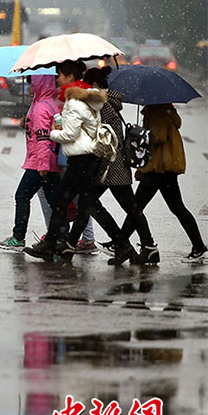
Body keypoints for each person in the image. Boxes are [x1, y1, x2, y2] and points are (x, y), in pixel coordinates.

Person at [24, 60, 106, 261]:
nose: (56, 79)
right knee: (71, 203)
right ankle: (60, 244)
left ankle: (121, 243)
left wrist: (46, 133)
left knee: (83, 205)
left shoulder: (74, 101)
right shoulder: (77, 98)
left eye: (59, 75)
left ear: (69, 77)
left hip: (81, 160)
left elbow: (69, 134)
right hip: (81, 159)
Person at [80, 66, 158, 266]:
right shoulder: (107, 102)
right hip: (113, 166)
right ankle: (133, 245)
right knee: (128, 208)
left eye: (88, 84)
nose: (85, 88)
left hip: (110, 166)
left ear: (96, 85)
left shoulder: (103, 105)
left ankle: (133, 245)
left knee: (100, 204)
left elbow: (103, 137)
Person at [112, 103, 206, 264]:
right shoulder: (164, 111)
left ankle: (119, 243)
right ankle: (198, 247)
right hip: (165, 166)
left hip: (159, 168)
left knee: (136, 206)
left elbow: (157, 136)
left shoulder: (157, 111)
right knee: (174, 207)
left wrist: (138, 133)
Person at [0, 74, 63, 251]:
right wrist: (25, 122)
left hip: (40, 161)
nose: (29, 88)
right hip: (49, 159)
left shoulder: (40, 107)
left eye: (31, 84)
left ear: (40, 85)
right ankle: (61, 238)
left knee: (22, 196)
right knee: (54, 201)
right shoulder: (48, 103)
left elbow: (43, 138)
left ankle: (19, 237)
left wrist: (42, 165)